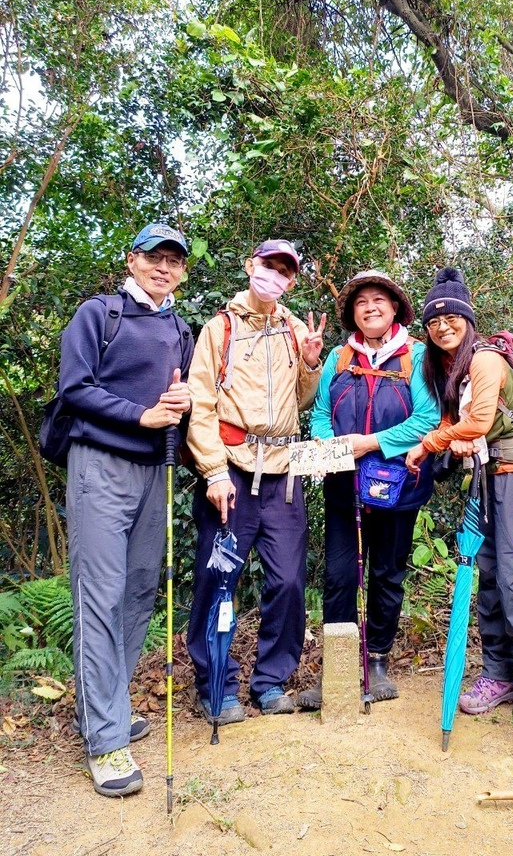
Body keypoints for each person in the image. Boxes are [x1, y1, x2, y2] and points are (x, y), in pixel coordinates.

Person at [61, 222, 194, 797]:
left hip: (154, 471)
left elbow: (180, 405)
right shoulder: (99, 314)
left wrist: (183, 407)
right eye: (154, 257)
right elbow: (74, 388)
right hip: (100, 465)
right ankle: (106, 740)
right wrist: (141, 415)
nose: (163, 268)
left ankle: (104, 708)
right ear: (132, 259)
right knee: (100, 592)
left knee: (140, 588)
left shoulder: (180, 328)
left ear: (183, 273)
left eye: (174, 261)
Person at [406, 268, 513, 738]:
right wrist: (452, 443)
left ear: (468, 319)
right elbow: (468, 430)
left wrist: (430, 443)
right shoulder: (452, 371)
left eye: (452, 316)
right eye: (434, 320)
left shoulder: (487, 359)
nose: (443, 325)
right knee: (489, 577)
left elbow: (476, 423)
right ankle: (501, 674)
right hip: (486, 477)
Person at [186, 239, 325, 718]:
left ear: (291, 280)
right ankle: (216, 683)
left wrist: (309, 362)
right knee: (220, 576)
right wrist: (213, 471)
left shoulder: (292, 327)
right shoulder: (218, 328)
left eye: (285, 271)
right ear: (251, 266)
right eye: (269, 266)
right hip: (231, 471)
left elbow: (301, 401)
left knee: (288, 580)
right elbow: (200, 404)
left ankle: (270, 680)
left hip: (283, 473)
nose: (275, 277)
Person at [298, 270, 440, 708]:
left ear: (395, 308)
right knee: (340, 577)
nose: (371, 307)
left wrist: (371, 443)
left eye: (381, 300)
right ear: (352, 313)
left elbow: (427, 418)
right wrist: (327, 442)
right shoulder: (340, 358)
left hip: (399, 483)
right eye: (362, 302)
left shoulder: (417, 357)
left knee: (386, 573)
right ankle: (338, 666)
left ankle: (376, 658)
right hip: (345, 482)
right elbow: (321, 412)